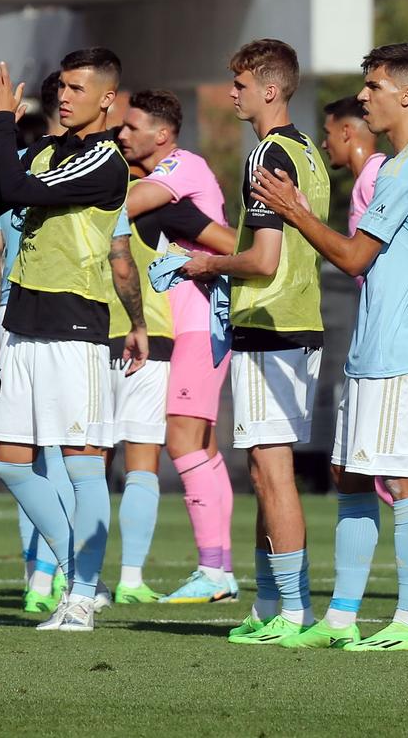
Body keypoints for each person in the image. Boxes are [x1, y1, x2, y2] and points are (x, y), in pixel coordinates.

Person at [252, 43, 408, 651]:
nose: (364, 97)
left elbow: (355, 255)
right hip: (373, 347)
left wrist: (293, 210)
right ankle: (340, 617)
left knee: (406, 478)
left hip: (404, 351)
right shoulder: (392, 166)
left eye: (375, 86)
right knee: (354, 476)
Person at [0, 49, 145, 633]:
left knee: (82, 466)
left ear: (106, 98)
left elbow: (20, 190)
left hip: (74, 329)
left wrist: (3, 125)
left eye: (77, 87)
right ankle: (80, 576)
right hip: (23, 324)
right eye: (62, 86)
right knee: (11, 462)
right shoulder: (47, 149)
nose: (64, 96)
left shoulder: (105, 161)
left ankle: (81, 593)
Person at [179, 38, 326, 645]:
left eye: (239, 83)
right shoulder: (308, 149)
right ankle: (270, 604)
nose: (231, 92)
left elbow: (264, 260)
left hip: (271, 322)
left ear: (270, 89)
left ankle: (295, 612)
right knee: (268, 472)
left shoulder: (268, 152)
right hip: (298, 321)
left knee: (272, 474)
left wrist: (205, 266)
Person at [111, 90, 235, 603]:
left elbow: (120, 204)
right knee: (201, 446)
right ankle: (219, 569)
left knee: (182, 441)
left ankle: (214, 571)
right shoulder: (161, 174)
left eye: (131, 127)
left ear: (162, 136)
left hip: (201, 322)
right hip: (188, 321)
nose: (122, 134)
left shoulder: (183, 166)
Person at [0, 71, 73, 613]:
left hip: (16, 315)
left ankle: (38, 579)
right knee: (57, 449)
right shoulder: (76, 168)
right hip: (62, 314)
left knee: (21, 447)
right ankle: (63, 573)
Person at [322, 96, 387, 233]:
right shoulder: (369, 175)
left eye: (328, 134)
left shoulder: (373, 178)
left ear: (346, 132)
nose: (324, 145)